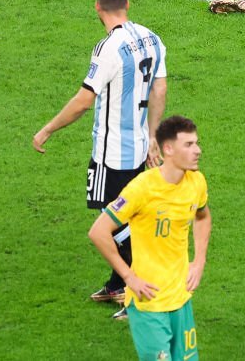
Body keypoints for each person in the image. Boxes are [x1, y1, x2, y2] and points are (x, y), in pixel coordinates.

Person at [31, 0, 167, 319]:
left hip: (111, 154)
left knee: (112, 223)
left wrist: (47, 129)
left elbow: (82, 101)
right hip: (138, 147)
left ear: (97, 6)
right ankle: (117, 282)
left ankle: (136, 288)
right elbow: (160, 91)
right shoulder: (152, 38)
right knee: (127, 215)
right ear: (127, 3)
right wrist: (152, 137)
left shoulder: (107, 48)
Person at [89, 115, 211, 361]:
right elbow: (98, 232)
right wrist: (128, 277)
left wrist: (199, 261)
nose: (197, 150)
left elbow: (202, 216)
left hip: (180, 297)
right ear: (168, 149)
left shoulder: (196, 182)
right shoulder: (142, 188)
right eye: (188, 145)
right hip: (149, 303)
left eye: (196, 143)